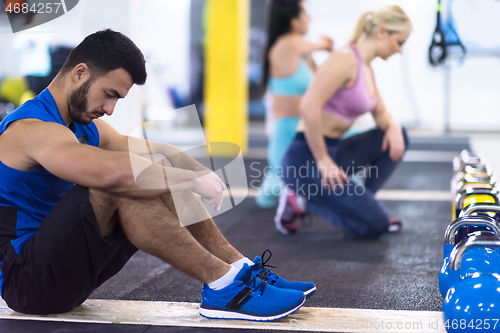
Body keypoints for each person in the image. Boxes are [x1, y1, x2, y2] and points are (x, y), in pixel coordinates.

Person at [0, 29, 316, 321]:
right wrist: (188, 181)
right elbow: (109, 173)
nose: (109, 109)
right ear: (79, 73)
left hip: (66, 273)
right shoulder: (32, 130)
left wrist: (194, 169)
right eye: (108, 94)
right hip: (28, 282)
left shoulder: (83, 125)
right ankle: (223, 285)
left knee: (150, 170)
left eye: (117, 100)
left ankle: (240, 270)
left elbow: (153, 150)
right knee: (124, 181)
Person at [278, 6, 412, 238]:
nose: (399, 50)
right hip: (306, 158)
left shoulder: (367, 69)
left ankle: (364, 205)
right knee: (376, 225)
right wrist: (322, 159)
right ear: (381, 32)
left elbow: (381, 115)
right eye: (399, 42)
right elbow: (309, 106)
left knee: (397, 136)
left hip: (335, 151)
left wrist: (393, 126)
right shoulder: (344, 59)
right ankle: (298, 200)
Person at [255, 0, 333, 217]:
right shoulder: (287, 45)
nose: (310, 19)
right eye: (306, 14)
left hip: (306, 129)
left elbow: (322, 80)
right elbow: (319, 44)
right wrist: (325, 44)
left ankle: (295, 198)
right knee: (277, 185)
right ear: (294, 21)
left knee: (320, 176)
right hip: (286, 130)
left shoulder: (303, 52)